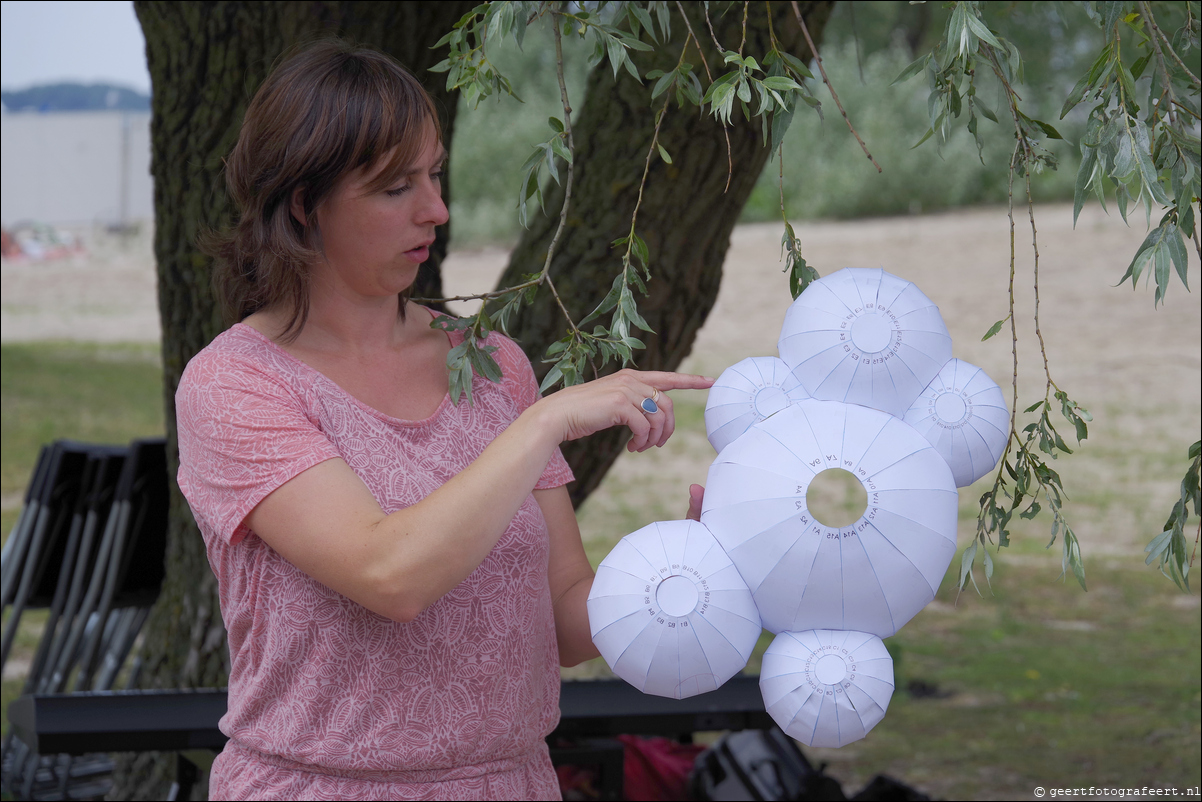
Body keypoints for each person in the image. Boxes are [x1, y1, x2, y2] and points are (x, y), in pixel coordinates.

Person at [175, 40, 713, 800]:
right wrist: (542, 426)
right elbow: (389, 574)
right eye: (397, 187)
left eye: (435, 175)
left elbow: (565, 623)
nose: (438, 210)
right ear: (303, 203)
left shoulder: (492, 365)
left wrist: (691, 563)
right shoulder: (234, 385)